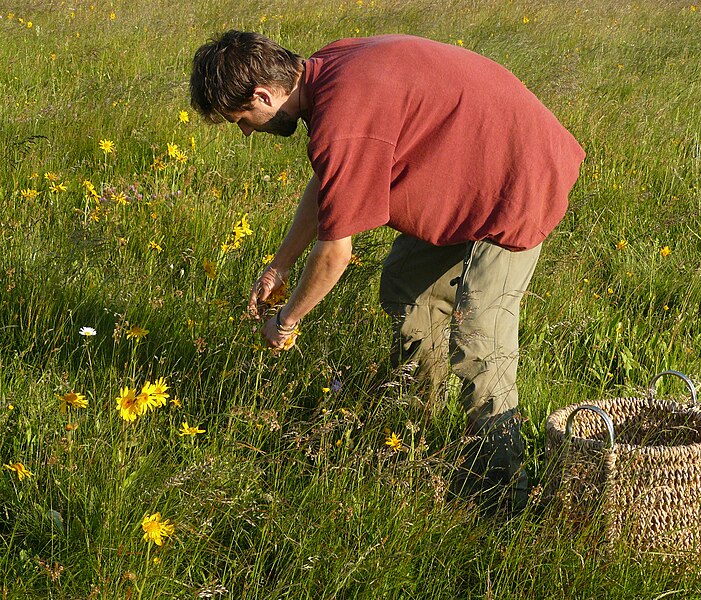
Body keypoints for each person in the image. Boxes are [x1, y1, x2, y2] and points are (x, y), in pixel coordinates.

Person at [190, 30, 585, 517]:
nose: (247, 132)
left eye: (242, 120)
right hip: (468, 175)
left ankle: (501, 495)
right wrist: (280, 264)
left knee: (480, 337)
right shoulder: (326, 70)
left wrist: (287, 322)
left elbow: (335, 252)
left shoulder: (341, 116)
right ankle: (427, 425)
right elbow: (329, 180)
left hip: (518, 179)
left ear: (263, 95)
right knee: (404, 285)